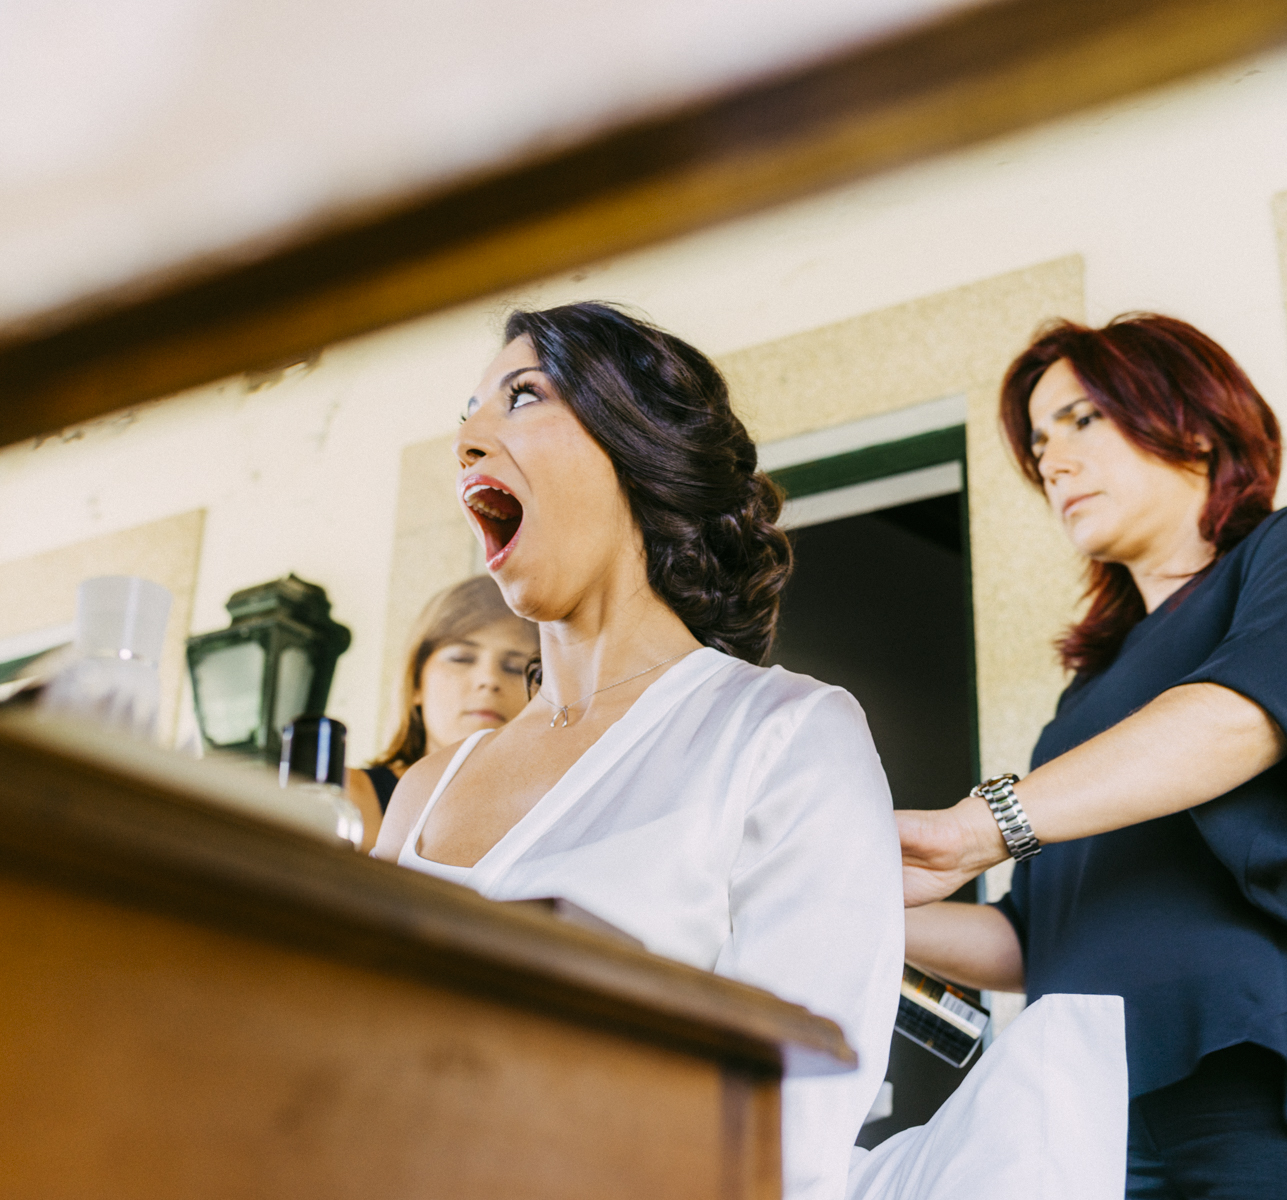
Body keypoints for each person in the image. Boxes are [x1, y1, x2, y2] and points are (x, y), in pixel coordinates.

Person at [897, 314, 1287, 1199]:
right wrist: (847, 899)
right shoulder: (1084, 706)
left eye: (1082, 420)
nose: (1051, 462)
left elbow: (1238, 722)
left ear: (1191, 422)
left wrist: (979, 826)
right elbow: (1030, 938)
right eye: (1038, 442)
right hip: (1118, 1125)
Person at [373, 302, 903, 1200]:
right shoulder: (425, 791)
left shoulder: (783, 736)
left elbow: (793, 1130)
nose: (468, 436)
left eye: (523, 395)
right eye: (466, 411)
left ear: (636, 445)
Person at [345, 575, 537, 849]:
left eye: (514, 667)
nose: (489, 679)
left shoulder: (545, 816)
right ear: (416, 684)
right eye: (461, 658)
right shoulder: (350, 798)